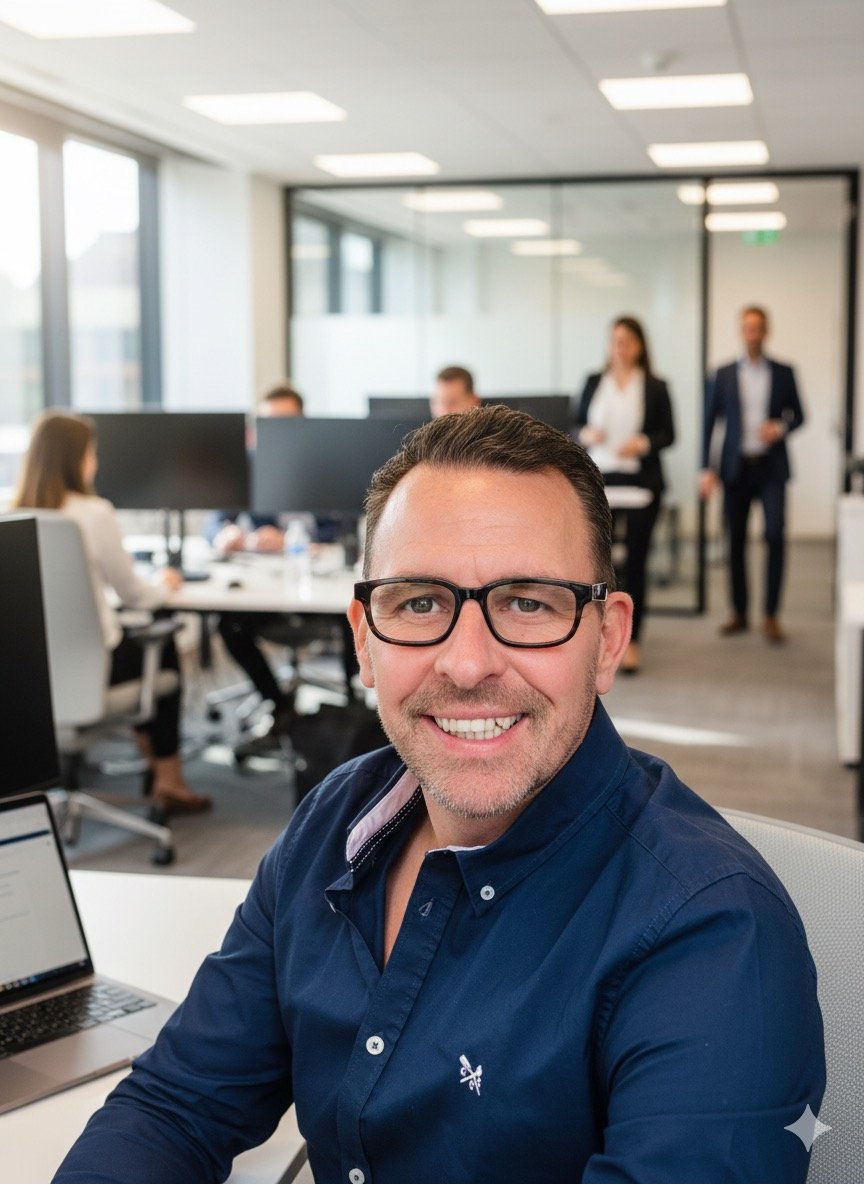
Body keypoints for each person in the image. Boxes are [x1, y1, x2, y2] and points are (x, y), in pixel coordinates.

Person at [54, 406, 824, 1184]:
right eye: (419, 603)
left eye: (528, 602)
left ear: (609, 639)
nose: (466, 663)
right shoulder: (336, 823)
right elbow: (176, 1106)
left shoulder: (711, 934)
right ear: (363, 638)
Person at [13, 410, 210, 815]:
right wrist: (167, 583)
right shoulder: (93, 512)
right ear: (78, 458)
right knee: (162, 641)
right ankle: (168, 781)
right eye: (91, 452)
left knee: (140, 644)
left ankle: (154, 768)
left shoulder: (9, 512)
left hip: (26, 679)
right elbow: (135, 595)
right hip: (92, 672)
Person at [206, 384, 308, 750]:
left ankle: (348, 723)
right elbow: (215, 521)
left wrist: (295, 537)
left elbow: (345, 527)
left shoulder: (325, 461)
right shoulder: (247, 468)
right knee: (228, 623)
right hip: (267, 587)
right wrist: (224, 534)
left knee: (354, 617)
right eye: (268, 425)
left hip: (317, 587)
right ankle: (279, 705)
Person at [574, 315, 675, 674]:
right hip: (600, 479)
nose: (620, 347)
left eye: (627, 341)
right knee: (602, 564)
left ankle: (633, 641)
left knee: (636, 562)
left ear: (640, 346)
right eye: (614, 340)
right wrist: (587, 434)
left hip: (641, 480)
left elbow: (669, 434)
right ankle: (600, 638)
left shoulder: (654, 385)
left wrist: (644, 442)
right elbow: (576, 425)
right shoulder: (593, 382)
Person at [699, 306, 805, 644]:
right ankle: (740, 612)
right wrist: (706, 468)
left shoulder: (784, 372)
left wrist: (781, 426)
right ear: (741, 331)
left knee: (774, 535)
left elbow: (799, 415)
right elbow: (709, 423)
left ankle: (771, 614)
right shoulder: (724, 373)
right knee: (736, 542)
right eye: (747, 328)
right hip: (736, 469)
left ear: (766, 331)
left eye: (758, 328)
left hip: (771, 467)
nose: (753, 333)